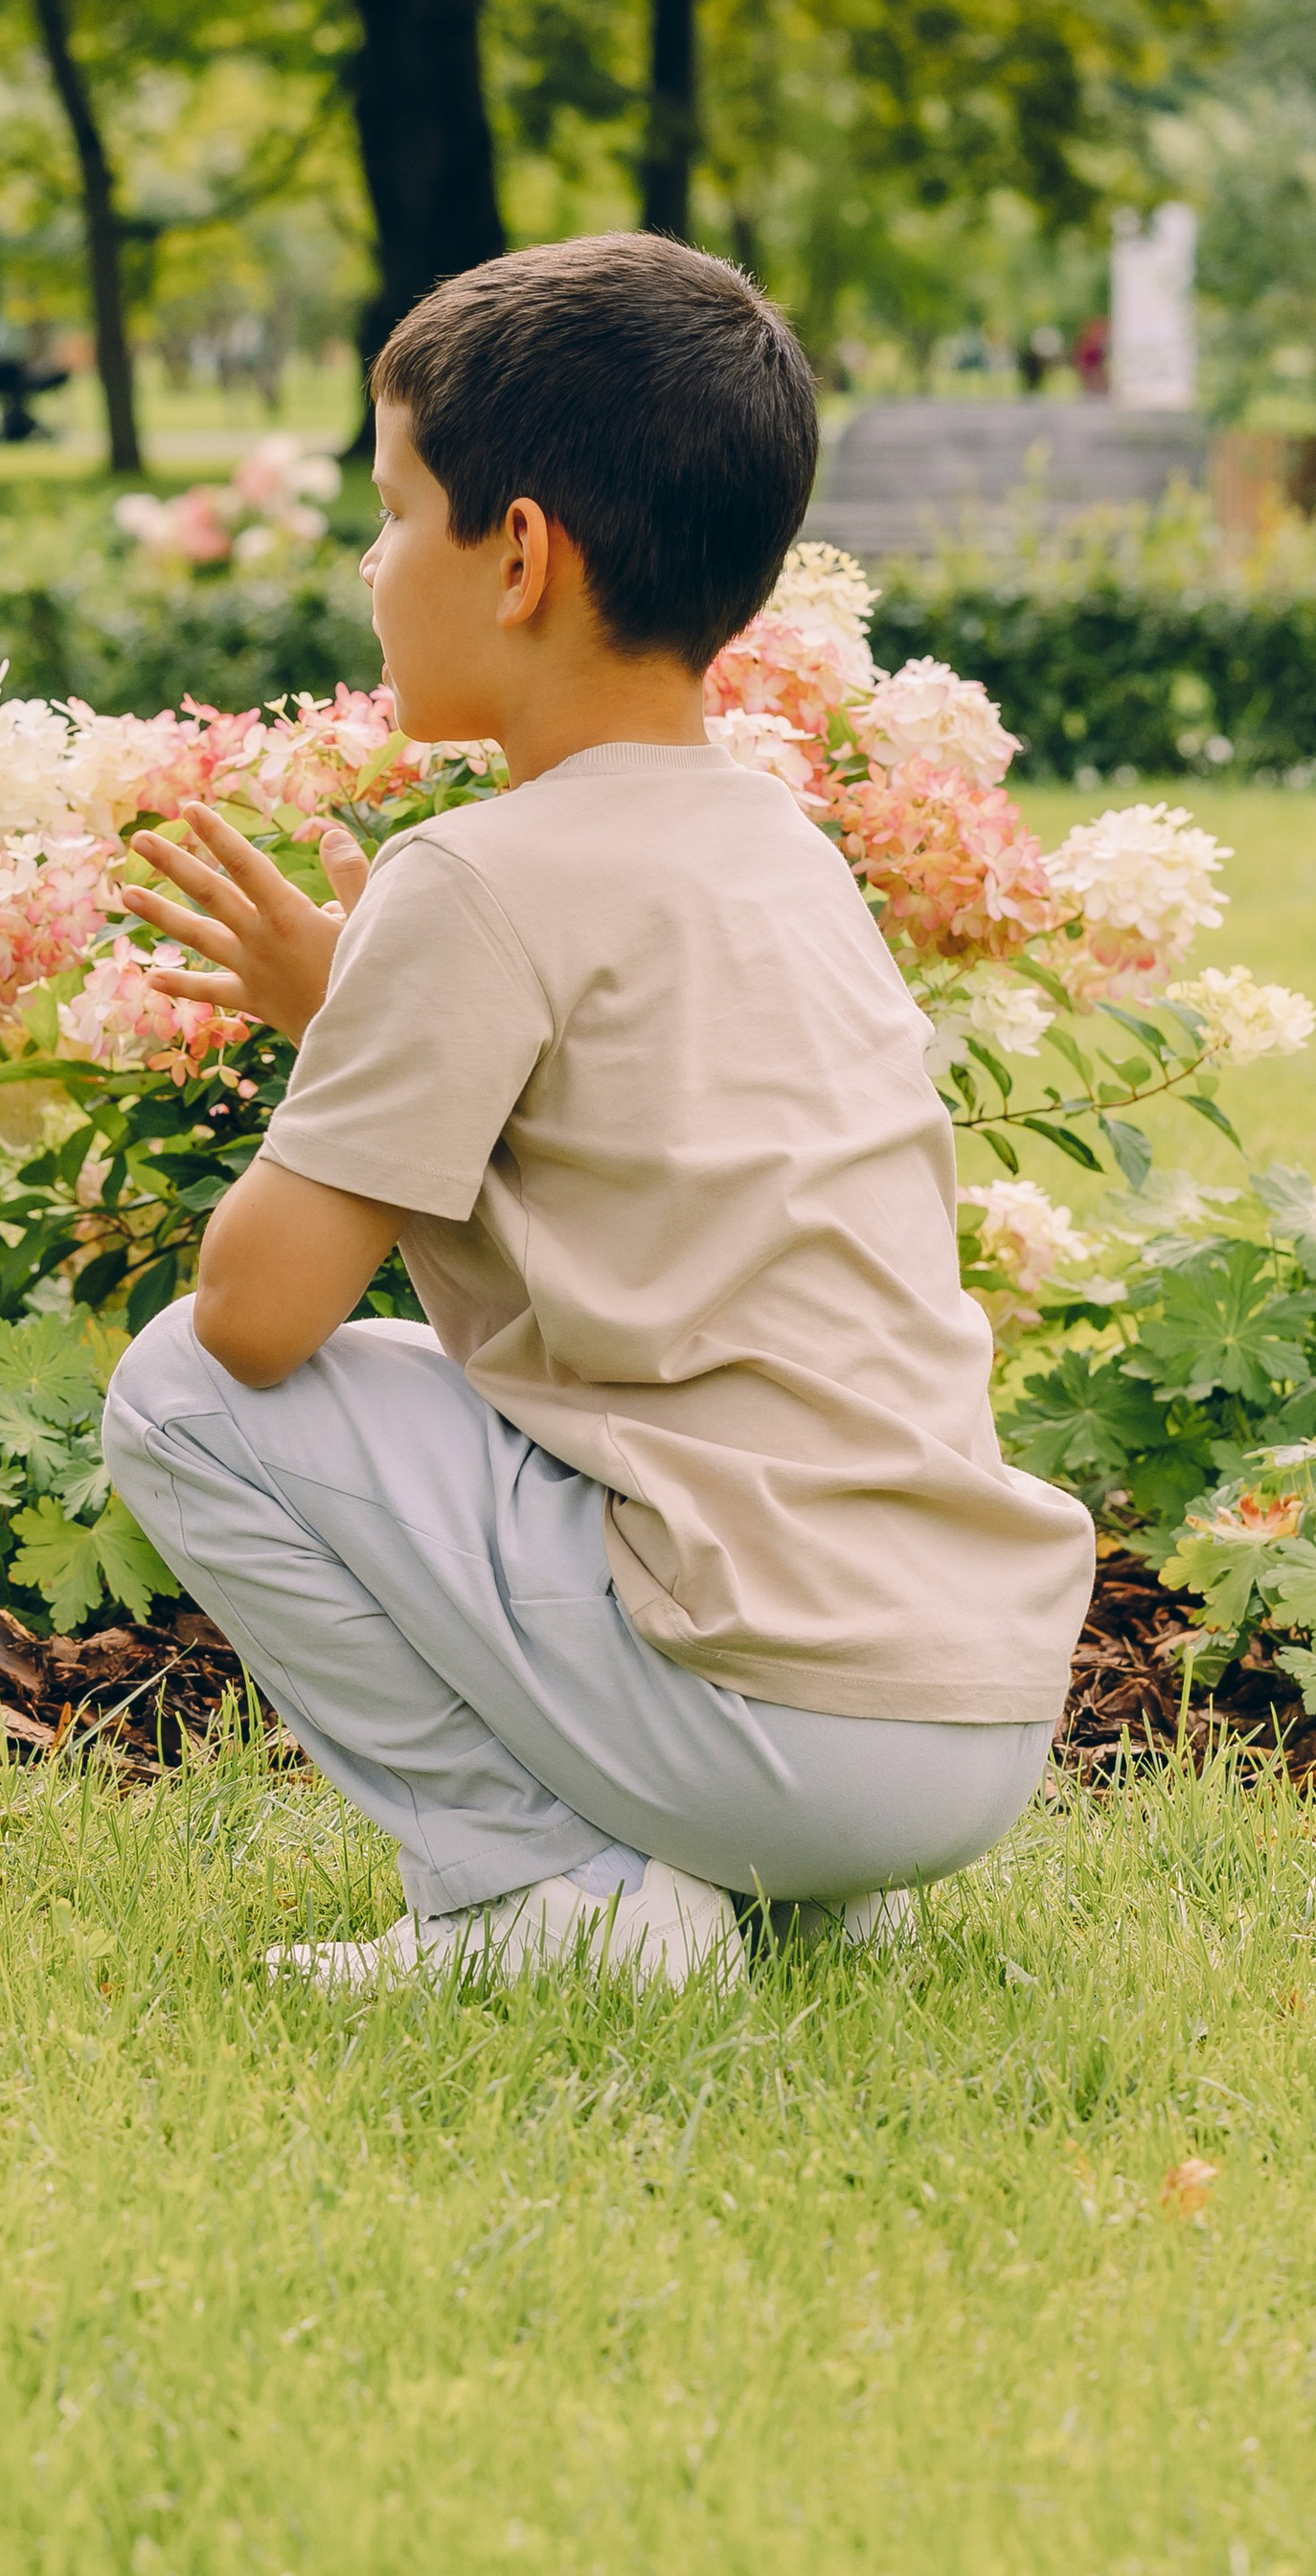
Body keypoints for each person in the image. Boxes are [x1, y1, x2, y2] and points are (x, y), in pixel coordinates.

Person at [103, 234, 1094, 1994]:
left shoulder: (477, 877)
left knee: (172, 1390)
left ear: (519, 555)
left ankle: (532, 1896)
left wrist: (343, 1044)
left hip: (773, 1717)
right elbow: (647, 1136)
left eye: (395, 508)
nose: (367, 555)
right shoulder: (773, 842)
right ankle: (775, 1887)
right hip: (964, 1718)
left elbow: (260, 1319)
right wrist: (361, 1003)